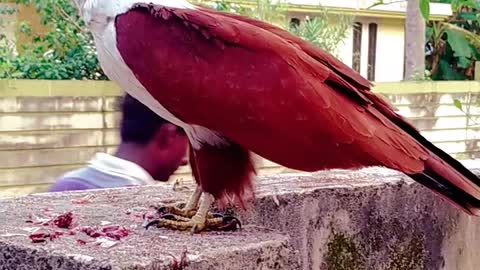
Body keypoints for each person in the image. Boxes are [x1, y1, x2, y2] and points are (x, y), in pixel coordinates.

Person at [49, 94, 189, 192]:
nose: (186, 161)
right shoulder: (144, 205)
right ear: (169, 135)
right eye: (190, 144)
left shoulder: (63, 185)